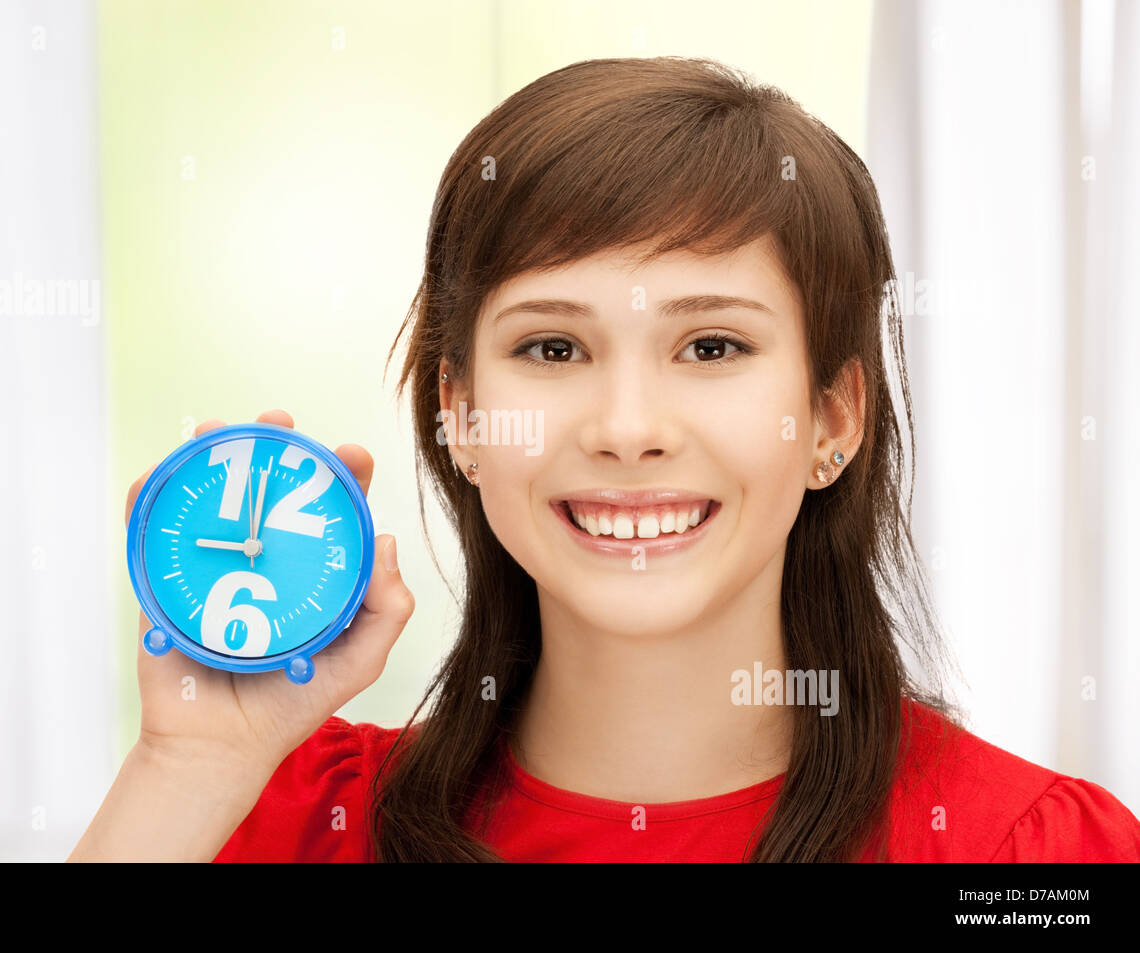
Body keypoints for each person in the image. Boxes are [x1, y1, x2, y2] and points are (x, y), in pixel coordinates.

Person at [70, 56, 1140, 862]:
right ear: (460, 414)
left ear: (832, 418)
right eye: (552, 346)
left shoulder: (1027, 851)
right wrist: (190, 763)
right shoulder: (296, 816)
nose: (627, 426)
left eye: (711, 346)